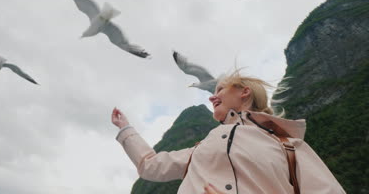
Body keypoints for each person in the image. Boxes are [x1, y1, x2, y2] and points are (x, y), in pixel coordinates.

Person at [111, 70, 346, 194]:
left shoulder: (289, 146)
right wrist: (126, 129)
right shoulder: (200, 150)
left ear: (244, 92)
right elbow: (150, 166)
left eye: (220, 89)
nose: (212, 96)